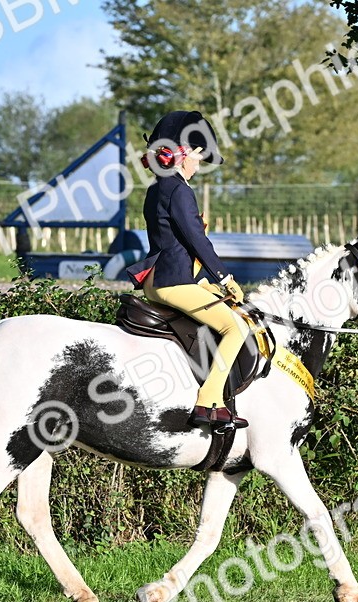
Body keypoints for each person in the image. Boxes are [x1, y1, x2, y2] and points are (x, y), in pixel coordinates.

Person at [135, 110, 250, 429]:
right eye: (198, 156)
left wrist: (209, 286)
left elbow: (178, 242)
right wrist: (225, 278)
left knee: (222, 308)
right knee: (236, 328)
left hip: (159, 278)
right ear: (181, 156)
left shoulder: (156, 189)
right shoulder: (180, 190)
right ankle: (208, 401)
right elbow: (196, 241)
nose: (199, 164)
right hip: (173, 282)